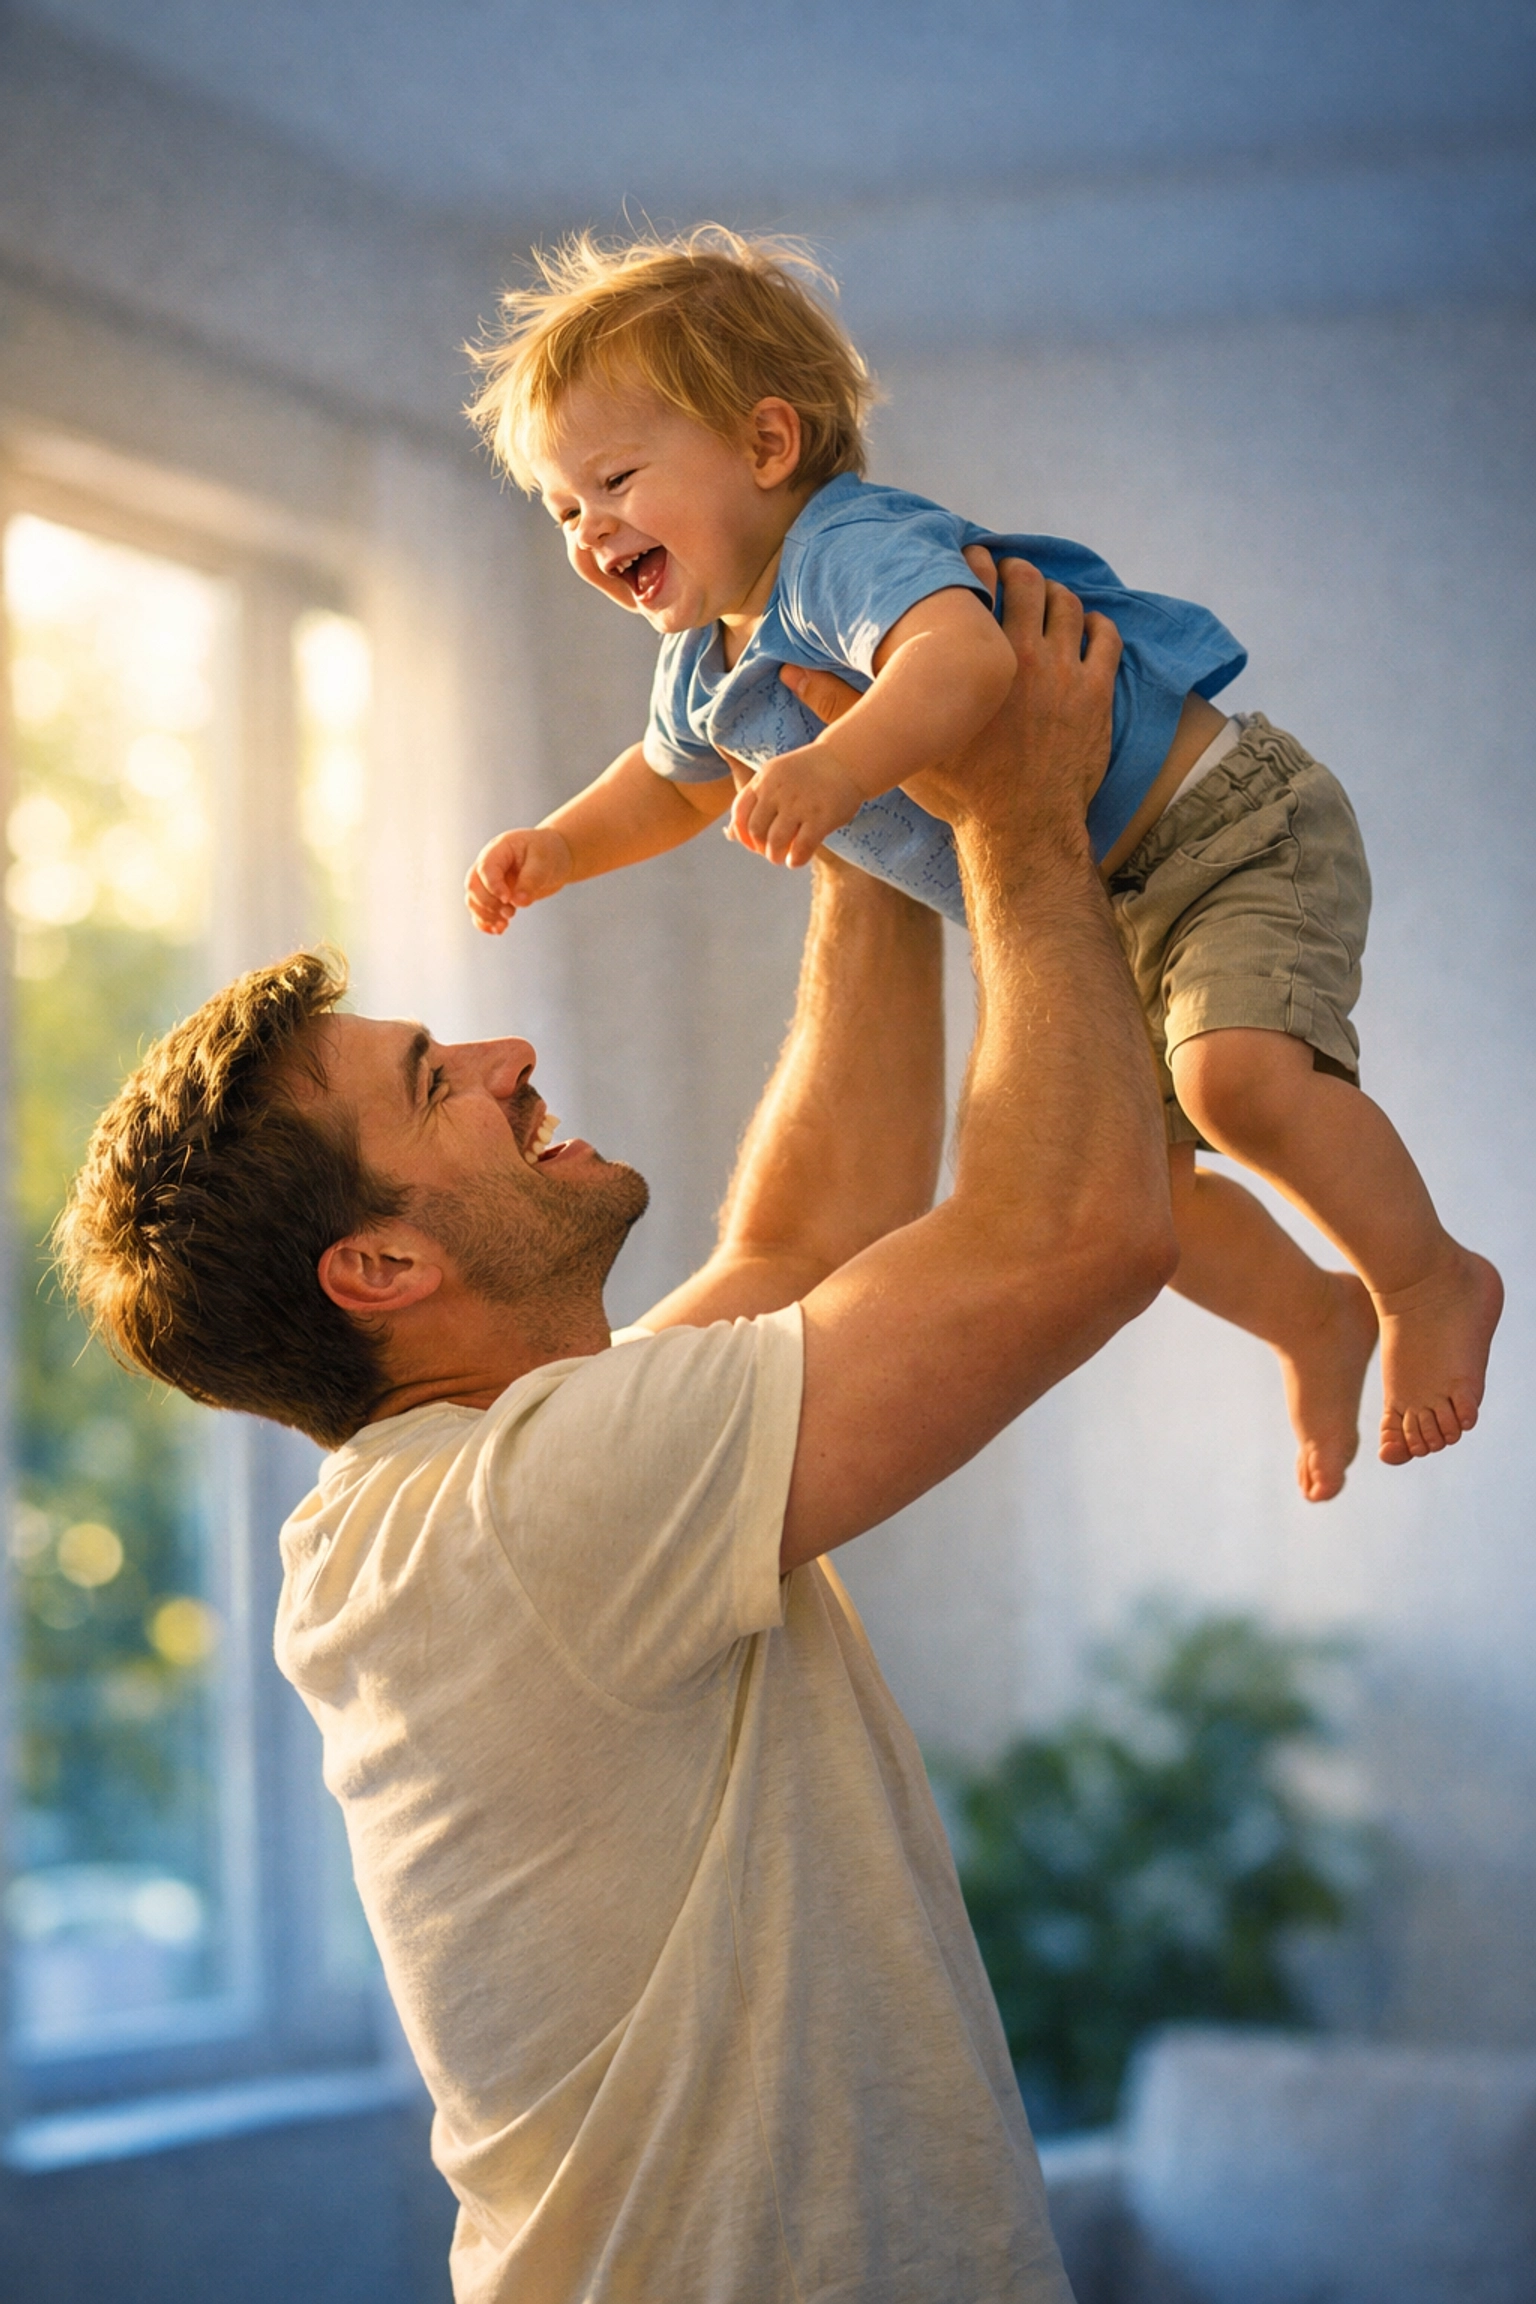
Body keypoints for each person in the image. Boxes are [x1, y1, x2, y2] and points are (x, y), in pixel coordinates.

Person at [58, 560, 1173, 2303]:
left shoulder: (478, 1492)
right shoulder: (513, 1519)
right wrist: (1015, 818)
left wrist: (864, 774)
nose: (507, 1052)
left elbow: (810, 1241)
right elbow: (1073, 1236)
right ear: (382, 1263)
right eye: (437, 1080)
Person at [463, 227, 1502, 1505]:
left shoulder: (847, 549)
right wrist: (559, 847)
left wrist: (838, 770)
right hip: (1113, 901)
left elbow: (965, 664)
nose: (587, 530)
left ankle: (1428, 1280)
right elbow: (670, 783)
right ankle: (1313, 1318)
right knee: (1128, 1192)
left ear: (768, 447)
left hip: (1222, 833)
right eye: (565, 507)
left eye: (615, 479)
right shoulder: (701, 659)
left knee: (1237, 1084)